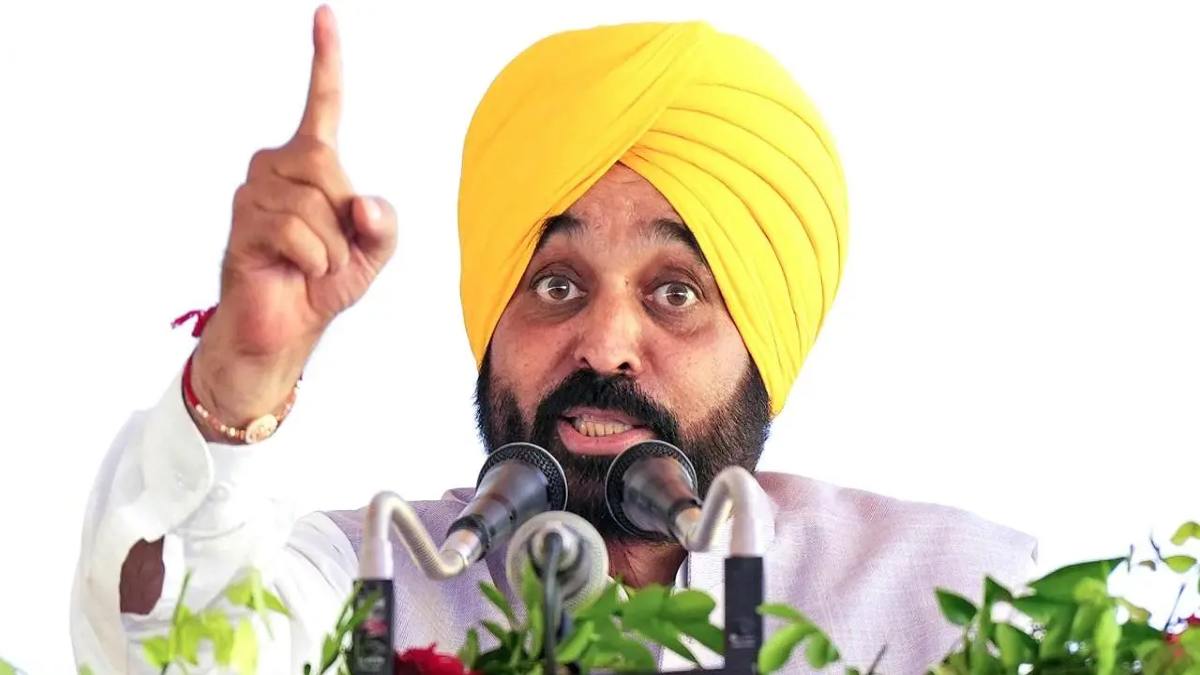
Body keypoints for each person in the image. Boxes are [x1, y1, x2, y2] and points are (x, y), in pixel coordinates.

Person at [71, 6, 1036, 673]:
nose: (605, 344)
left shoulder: (957, 593)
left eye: (674, 292)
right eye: (557, 284)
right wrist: (237, 387)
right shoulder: (372, 573)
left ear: (764, 346)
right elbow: (167, 640)